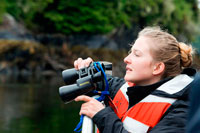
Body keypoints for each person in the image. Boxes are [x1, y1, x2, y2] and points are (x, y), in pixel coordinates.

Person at [74, 26, 197, 133]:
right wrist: (86, 69)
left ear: (157, 67)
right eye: (130, 52)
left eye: (136, 54)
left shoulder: (182, 112)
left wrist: (102, 116)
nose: (126, 59)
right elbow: (105, 82)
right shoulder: (128, 89)